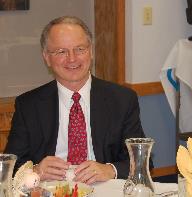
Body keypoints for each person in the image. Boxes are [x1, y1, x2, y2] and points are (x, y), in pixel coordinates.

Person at [4, 16, 147, 184]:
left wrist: (110, 169)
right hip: (50, 190)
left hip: (104, 187)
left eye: (80, 49)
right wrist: (35, 170)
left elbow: (142, 162)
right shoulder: (28, 105)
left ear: (91, 51)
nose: (72, 59)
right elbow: (10, 167)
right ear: (46, 57)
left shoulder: (122, 99)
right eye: (61, 51)